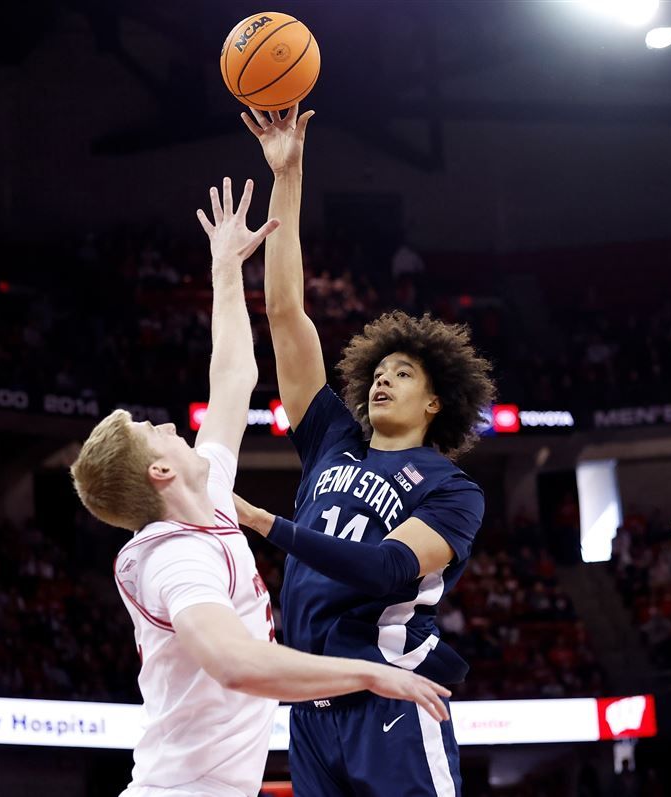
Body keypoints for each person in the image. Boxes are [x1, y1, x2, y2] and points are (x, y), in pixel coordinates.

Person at [70, 178, 452, 797]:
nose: (168, 425)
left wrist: (226, 269)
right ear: (160, 473)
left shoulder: (210, 491)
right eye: (153, 432)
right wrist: (370, 676)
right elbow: (236, 664)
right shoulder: (174, 560)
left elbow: (233, 374)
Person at [236, 105, 497, 796]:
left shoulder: (451, 489)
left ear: (437, 400)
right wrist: (287, 174)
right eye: (381, 370)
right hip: (311, 706)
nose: (383, 376)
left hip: (392, 701)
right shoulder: (331, 439)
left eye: (404, 373)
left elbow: (386, 567)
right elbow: (286, 313)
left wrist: (270, 526)